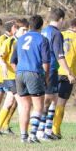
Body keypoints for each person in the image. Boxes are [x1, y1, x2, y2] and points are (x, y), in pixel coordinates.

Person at [11, 15, 51, 143]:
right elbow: (46, 62)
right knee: (38, 107)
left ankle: (23, 136)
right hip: (34, 73)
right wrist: (46, 77)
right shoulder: (42, 39)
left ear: (29, 26)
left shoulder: (20, 39)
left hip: (20, 74)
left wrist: (19, 72)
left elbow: (13, 61)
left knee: (25, 106)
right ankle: (33, 135)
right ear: (41, 26)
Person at [39, 8, 76, 140]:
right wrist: (69, 73)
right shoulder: (56, 34)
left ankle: (47, 131)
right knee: (49, 101)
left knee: (52, 99)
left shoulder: (44, 31)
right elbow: (60, 56)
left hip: (42, 69)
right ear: (61, 19)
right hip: (51, 69)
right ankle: (42, 131)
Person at [0, 18, 28, 136]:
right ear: (15, 30)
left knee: (9, 102)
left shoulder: (24, 42)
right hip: (10, 77)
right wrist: (2, 65)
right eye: (23, 30)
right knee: (21, 102)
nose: (26, 32)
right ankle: (25, 133)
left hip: (20, 76)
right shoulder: (9, 42)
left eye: (27, 30)